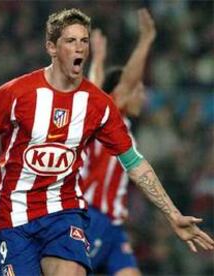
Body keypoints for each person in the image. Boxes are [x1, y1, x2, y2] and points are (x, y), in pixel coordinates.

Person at [0, 8, 214, 276]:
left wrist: (172, 214)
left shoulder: (97, 104)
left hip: (64, 211)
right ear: (51, 46)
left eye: (84, 41)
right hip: (14, 216)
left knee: (71, 271)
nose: (79, 48)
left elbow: (135, 162)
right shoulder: (14, 94)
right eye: (70, 41)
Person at [81, 9, 155, 276]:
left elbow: (95, 87)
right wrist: (146, 39)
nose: (142, 95)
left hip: (113, 224)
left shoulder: (121, 126)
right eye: (139, 89)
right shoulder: (110, 119)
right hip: (93, 216)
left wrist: (99, 59)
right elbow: (115, 87)